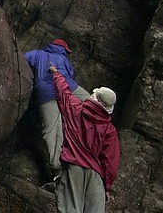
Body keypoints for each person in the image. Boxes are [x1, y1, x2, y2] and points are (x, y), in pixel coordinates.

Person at [49, 63, 120, 213]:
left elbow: (64, 94)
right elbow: (110, 161)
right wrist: (107, 187)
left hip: (74, 168)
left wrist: (56, 74)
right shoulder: (109, 130)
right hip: (96, 176)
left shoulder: (76, 109)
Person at [25, 39, 90, 174]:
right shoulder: (62, 58)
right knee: (89, 102)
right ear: (63, 49)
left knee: (51, 128)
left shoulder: (38, 54)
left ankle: (55, 163)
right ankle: (99, 116)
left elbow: (24, 59)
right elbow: (71, 74)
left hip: (45, 92)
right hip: (66, 87)